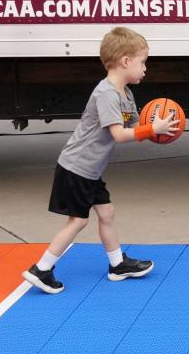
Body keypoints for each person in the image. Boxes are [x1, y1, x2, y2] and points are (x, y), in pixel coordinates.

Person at [22, 26, 176, 295]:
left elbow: (136, 126)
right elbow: (118, 134)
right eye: (143, 62)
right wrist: (152, 130)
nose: (145, 69)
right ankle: (41, 269)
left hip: (90, 170)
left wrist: (158, 128)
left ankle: (117, 265)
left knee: (106, 212)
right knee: (78, 221)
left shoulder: (125, 93)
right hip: (76, 167)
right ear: (125, 61)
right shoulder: (105, 93)